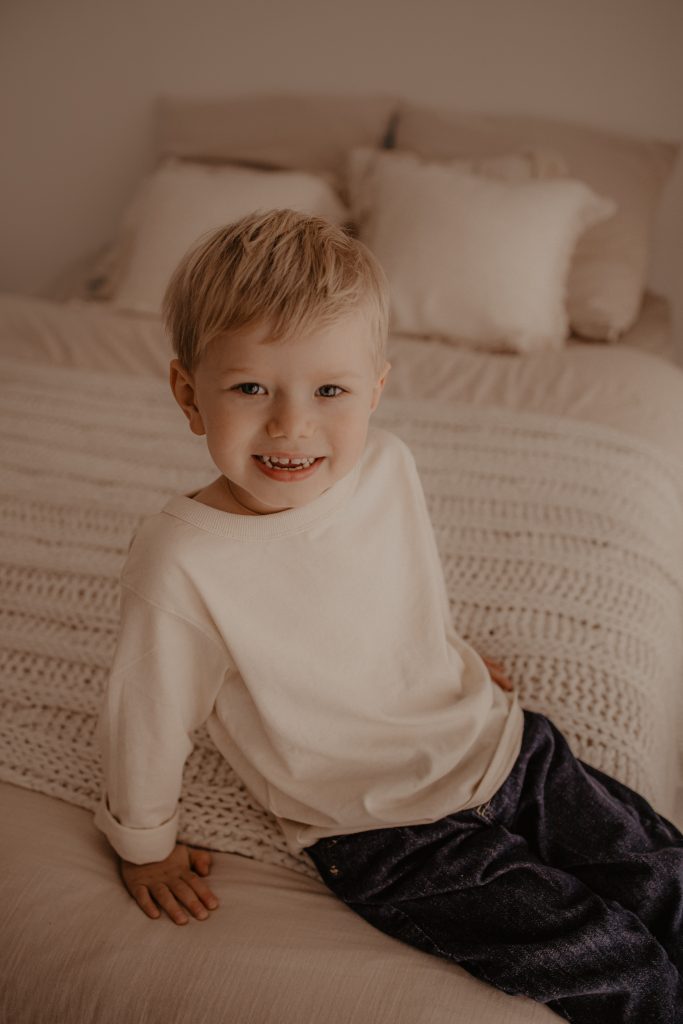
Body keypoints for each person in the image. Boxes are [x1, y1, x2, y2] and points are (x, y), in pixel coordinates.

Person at [95, 208, 683, 1023]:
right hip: (385, 831)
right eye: (249, 388)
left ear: (375, 389)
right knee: (610, 963)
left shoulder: (388, 466)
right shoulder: (183, 559)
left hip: (503, 745)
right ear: (188, 393)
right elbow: (146, 716)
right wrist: (144, 846)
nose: (290, 425)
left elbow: (397, 581)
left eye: (329, 390)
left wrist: (444, 651)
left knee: (663, 878)